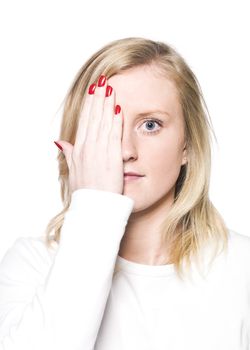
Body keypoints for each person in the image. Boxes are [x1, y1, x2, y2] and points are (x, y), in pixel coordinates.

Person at [0, 37, 249, 350]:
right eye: (106, 125)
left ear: (187, 145)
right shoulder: (32, 265)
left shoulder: (242, 268)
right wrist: (95, 207)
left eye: (150, 125)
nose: (125, 151)